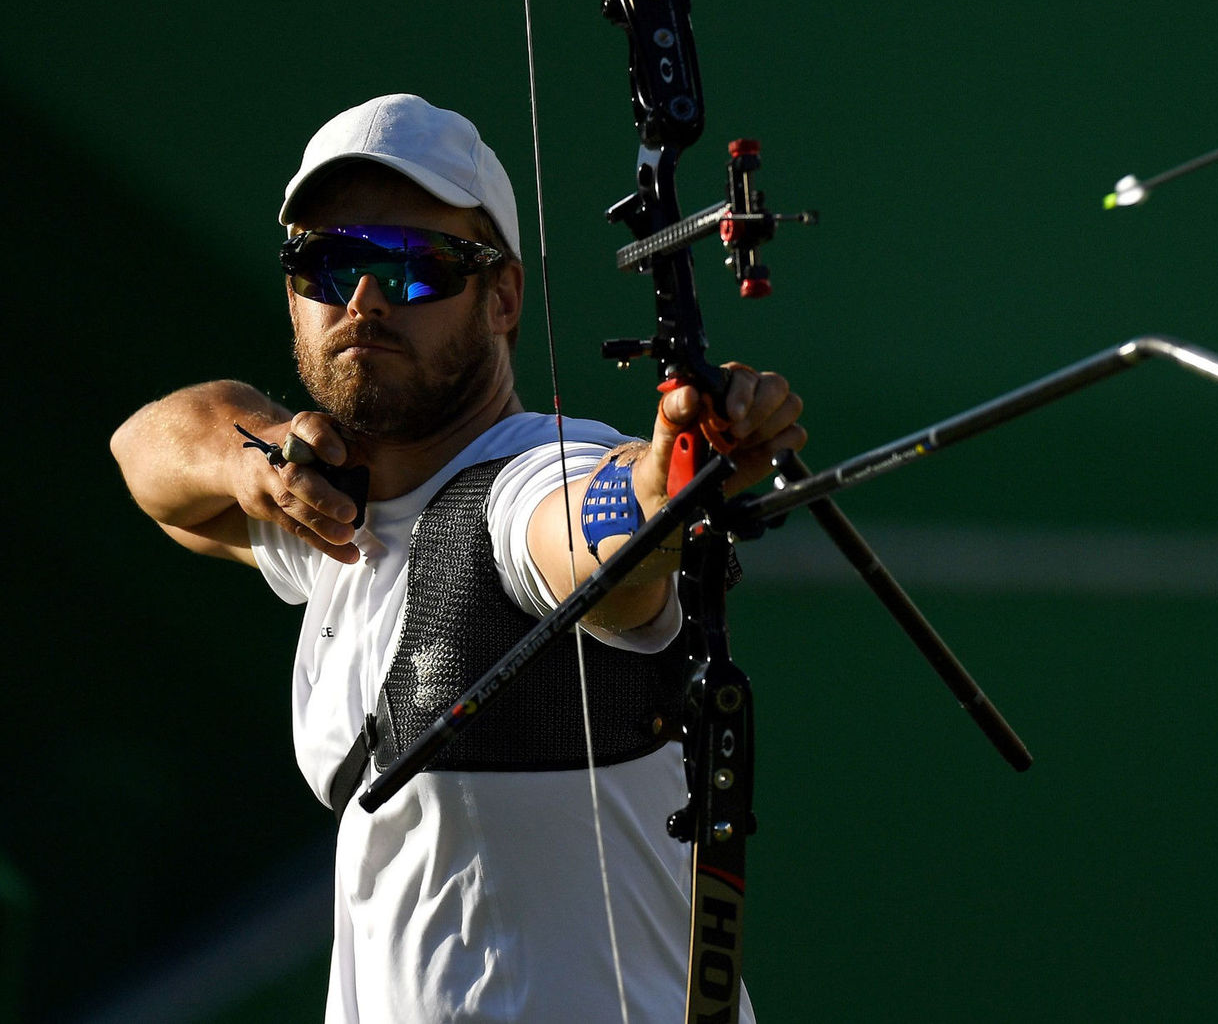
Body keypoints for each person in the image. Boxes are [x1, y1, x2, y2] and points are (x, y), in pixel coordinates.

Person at [110, 93, 802, 1023]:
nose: (361, 300)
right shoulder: (332, 522)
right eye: (328, 263)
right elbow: (144, 454)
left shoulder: (522, 480)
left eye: (415, 269)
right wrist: (259, 461)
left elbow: (588, 536)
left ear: (503, 297)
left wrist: (666, 479)